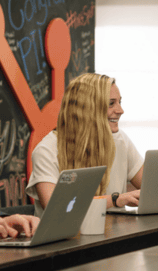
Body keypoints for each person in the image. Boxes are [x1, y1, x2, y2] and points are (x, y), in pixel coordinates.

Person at [26, 73, 144, 217]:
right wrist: (115, 200)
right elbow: (55, 206)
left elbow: (150, 186)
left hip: (115, 236)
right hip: (66, 238)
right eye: (111, 104)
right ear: (87, 108)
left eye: (120, 102)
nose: (121, 110)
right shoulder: (46, 150)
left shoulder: (120, 140)